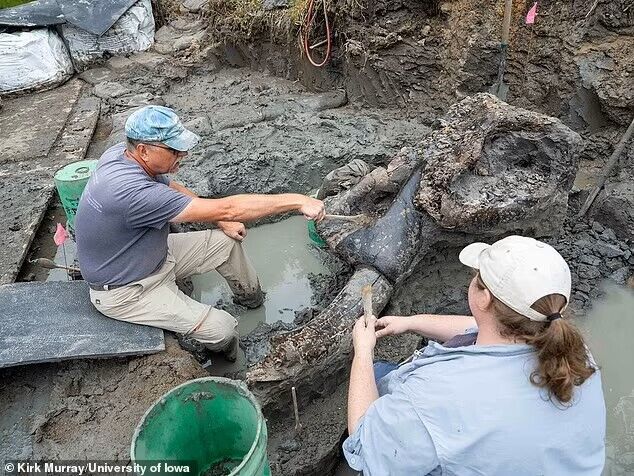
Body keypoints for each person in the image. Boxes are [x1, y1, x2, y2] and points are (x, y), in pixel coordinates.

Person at [75, 105, 325, 361]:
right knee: (222, 329)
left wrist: (221, 221)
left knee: (226, 244)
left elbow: (173, 186)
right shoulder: (132, 194)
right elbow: (229, 208)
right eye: (173, 149)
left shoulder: (120, 154)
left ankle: (251, 300)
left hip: (151, 254)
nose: (182, 154)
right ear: (143, 150)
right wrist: (297, 200)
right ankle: (230, 359)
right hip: (127, 289)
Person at [344, 235, 606, 475]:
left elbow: (362, 443)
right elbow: (481, 328)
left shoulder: (434, 397)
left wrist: (363, 352)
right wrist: (411, 322)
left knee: (376, 374)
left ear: (484, 298)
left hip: (446, 421)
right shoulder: (572, 350)